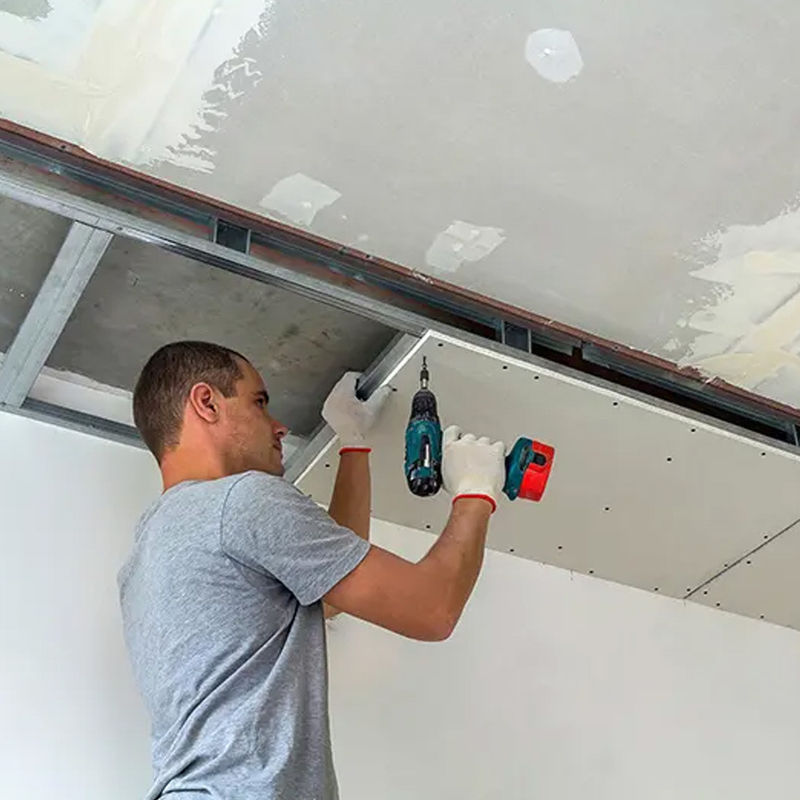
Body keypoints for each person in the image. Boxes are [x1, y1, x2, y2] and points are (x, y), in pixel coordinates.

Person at [119, 340, 506, 800]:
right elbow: (431, 609)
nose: (278, 425)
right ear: (207, 402)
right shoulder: (242, 500)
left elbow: (327, 589)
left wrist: (354, 445)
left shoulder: (149, 551)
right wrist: (476, 492)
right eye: (259, 402)